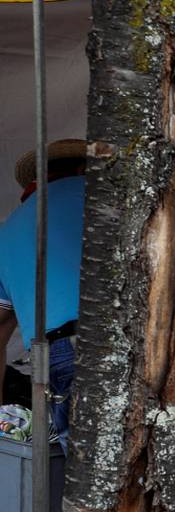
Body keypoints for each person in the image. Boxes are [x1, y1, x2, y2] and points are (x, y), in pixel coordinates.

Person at [0, 139, 87, 452]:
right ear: (83, 169)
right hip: (122, 338)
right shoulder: (103, 200)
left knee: (86, 467)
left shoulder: (8, 231)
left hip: (55, 352)